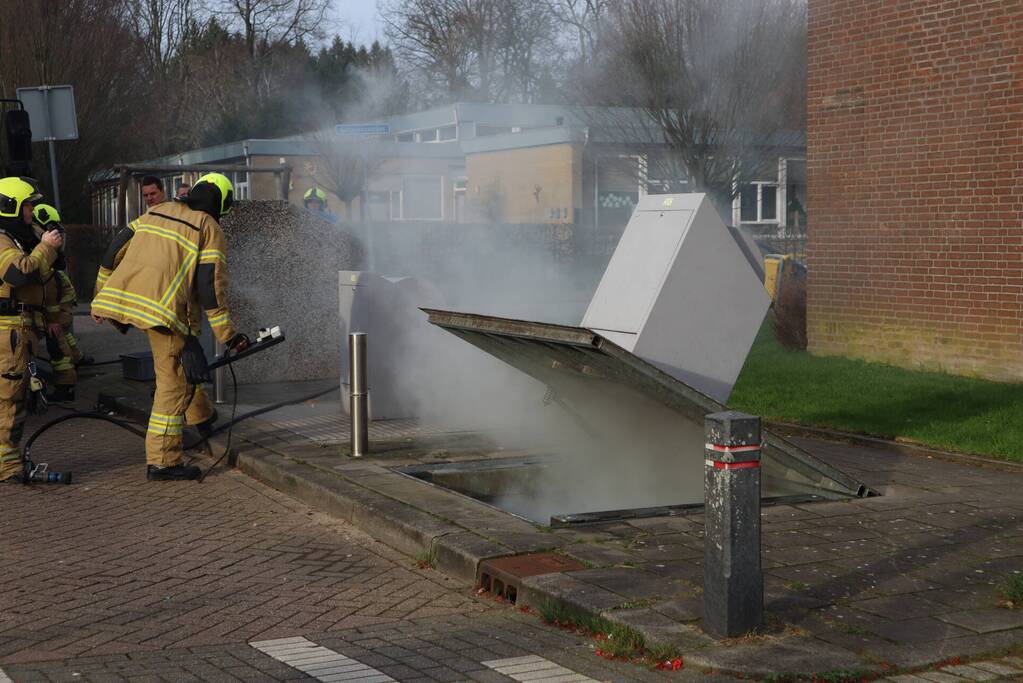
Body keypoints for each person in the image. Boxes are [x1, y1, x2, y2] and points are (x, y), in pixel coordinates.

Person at [92, 173, 248, 481]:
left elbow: (115, 249)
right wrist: (228, 335)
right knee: (174, 384)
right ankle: (163, 461)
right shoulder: (209, 227)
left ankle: (202, 416)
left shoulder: (159, 210)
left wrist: (101, 295)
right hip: (164, 312)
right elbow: (210, 286)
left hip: (134, 303)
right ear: (220, 203)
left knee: (182, 367)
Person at [0, 177, 62, 481]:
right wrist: (45, 248)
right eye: (27, 205)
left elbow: (45, 281)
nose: (31, 211)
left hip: (21, 329)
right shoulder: (2, 240)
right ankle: (6, 466)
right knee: (10, 399)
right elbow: (17, 273)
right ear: (10, 206)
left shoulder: (17, 238)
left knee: (14, 396)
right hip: (9, 331)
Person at [32, 204, 84, 402]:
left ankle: (65, 386)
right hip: (61, 294)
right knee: (63, 335)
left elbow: (50, 289)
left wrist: (53, 319)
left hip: (57, 297)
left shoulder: (41, 242)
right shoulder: (43, 241)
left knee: (56, 342)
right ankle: (77, 359)